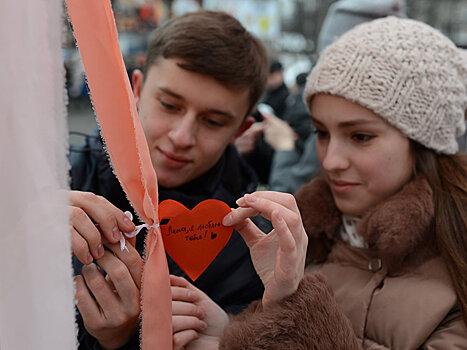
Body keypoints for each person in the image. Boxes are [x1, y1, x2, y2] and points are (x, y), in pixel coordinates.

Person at [170, 17, 467, 349]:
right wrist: (228, 335)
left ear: (423, 142)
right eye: (322, 133)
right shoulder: (309, 236)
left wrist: (296, 311)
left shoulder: (457, 261)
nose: (330, 160)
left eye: (360, 136)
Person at [69, 10, 269, 350]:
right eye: (169, 105)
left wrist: (121, 341)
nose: (181, 136)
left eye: (213, 121)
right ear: (136, 88)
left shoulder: (254, 241)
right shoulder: (61, 182)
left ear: (241, 130)